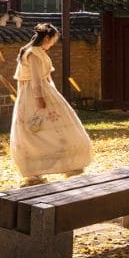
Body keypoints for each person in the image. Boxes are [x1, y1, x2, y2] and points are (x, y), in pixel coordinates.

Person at [10, 23, 92, 186]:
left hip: (45, 91)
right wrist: (39, 97)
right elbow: (34, 78)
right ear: (46, 37)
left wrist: (54, 94)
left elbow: (47, 77)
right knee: (35, 131)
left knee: (57, 128)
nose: (52, 44)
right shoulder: (33, 53)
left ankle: (71, 164)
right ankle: (35, 173)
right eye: (53, 40)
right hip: (34, 93)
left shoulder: (39, 52)